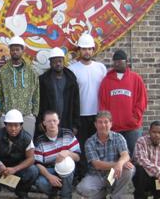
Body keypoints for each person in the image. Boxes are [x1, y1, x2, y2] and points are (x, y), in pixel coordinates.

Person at [76, 111, 134, 199]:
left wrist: (120, 164)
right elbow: (97, 165)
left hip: (114, 174)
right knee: (82, 189)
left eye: (106, 122)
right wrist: (117, 164)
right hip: (97, 175)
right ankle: (101, 195)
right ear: (95, 124)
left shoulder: (118, 138)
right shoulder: (90, 142)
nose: (103, 125)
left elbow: (125, 155)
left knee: (129, 169)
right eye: (100, 122)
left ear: (111, 124)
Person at [68, 33, 107, 181]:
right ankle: (83, 175)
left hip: (98, 115)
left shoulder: (101, 68)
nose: (87, 52)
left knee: (99, 146)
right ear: (79, 50)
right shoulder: (73, 69)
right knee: (83, 147)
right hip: (81, 115)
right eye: (84, 49)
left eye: (90, 49)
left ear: (93, 50)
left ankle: (97, 175)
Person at [99, 49, 148, 156]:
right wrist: (108, 122)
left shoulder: (136, 79)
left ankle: (134, 174)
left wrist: (134, 118)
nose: (117, 64)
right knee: (114, 157)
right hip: (114, 128)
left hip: (132, 127)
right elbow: (103, 103)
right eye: (115, 62)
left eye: (120, 62)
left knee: (135, 157)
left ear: (126, 62)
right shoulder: (106, 81)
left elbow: (142, 101)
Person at [0, 109, 39, 199]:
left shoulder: (27, 138)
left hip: (18, 167)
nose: (13, 128)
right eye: (10, 125)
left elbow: (31, 159)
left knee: (33, 170)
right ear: (5, 125)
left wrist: (15, 169)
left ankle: (22, 192)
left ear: (21, 126)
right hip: (0, 167)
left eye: (16, 125)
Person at [33, 111, 81, 199]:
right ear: (44, 123)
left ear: (58, 121)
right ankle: (54, 193)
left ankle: (66, 198)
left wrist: (68, 153)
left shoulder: (68, 134)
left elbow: (78, 157)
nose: (52, 123)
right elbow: (38, 163)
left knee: (67, 166)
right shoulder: (40, 140)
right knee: (40, 182)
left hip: (66, 167)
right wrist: (49, 176)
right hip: (50, 169)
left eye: (54, 120)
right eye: (49, 121)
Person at [0, 36, 39, 137]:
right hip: (7, 115)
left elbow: (36, 93)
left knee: (27, 145)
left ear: (22, 50)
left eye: (17, 49)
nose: (15, 52)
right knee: (5, 145)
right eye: (12, 50)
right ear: (10, 51)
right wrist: (1, 112)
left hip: (27, 115)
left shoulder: (31, 71)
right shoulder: (3, 71)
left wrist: (34, 113)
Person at [37, 47, 80, 134]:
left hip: (67, 121)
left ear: (63, 62)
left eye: (60, 61)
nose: (57, 64)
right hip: (49, 123)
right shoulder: (43, 80)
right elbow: (39, 102)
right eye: (54, 62)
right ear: (50, 63)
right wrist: (40, 121)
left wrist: (75, 124)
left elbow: (76, 103)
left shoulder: (71, 80)